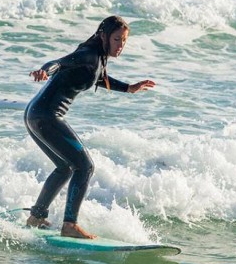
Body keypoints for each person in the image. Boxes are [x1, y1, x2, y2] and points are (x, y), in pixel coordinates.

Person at [24, 15, 155, 239]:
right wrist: (44, 70)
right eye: (116, 39)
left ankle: (36, 217)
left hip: (34, 114)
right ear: (103, 36)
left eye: (124, 41)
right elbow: (59, 63)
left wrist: (129, 88)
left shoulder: (97, 58)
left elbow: (98, 78)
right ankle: (70, 225)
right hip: (47, 117)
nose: (121, 46)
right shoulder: (87, 55)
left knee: (66, 167)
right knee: (85, 167)